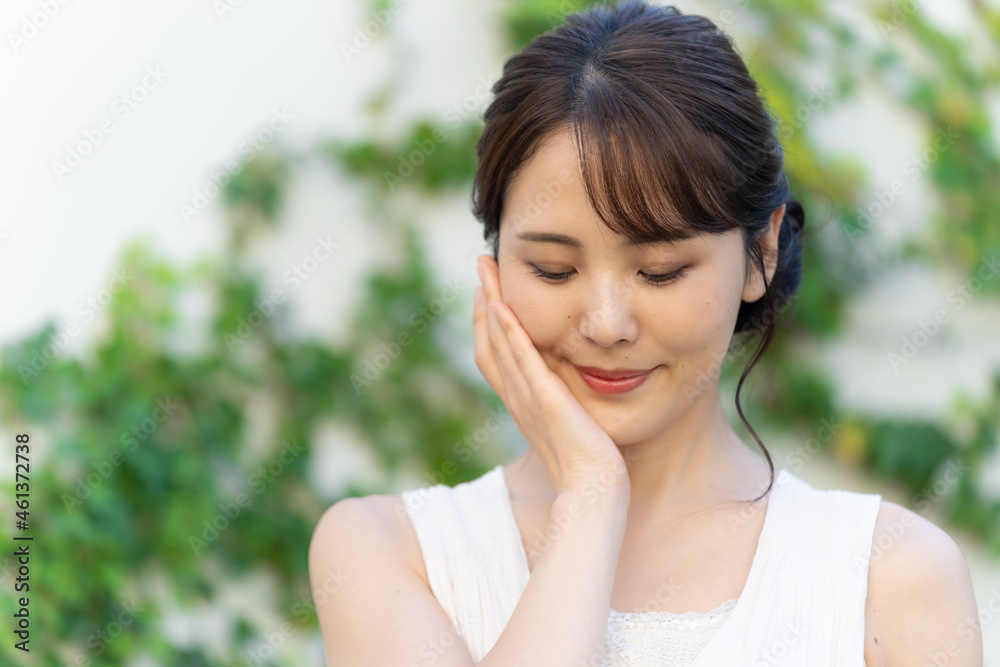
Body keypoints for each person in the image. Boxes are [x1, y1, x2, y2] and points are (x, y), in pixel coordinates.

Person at [308, 1, 983, 664]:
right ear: (495, 271)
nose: (606, 324)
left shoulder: (892, 581)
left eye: (659, 270)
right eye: (553, 268)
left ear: (762, 254)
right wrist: (592, 494)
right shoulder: (388, 550)